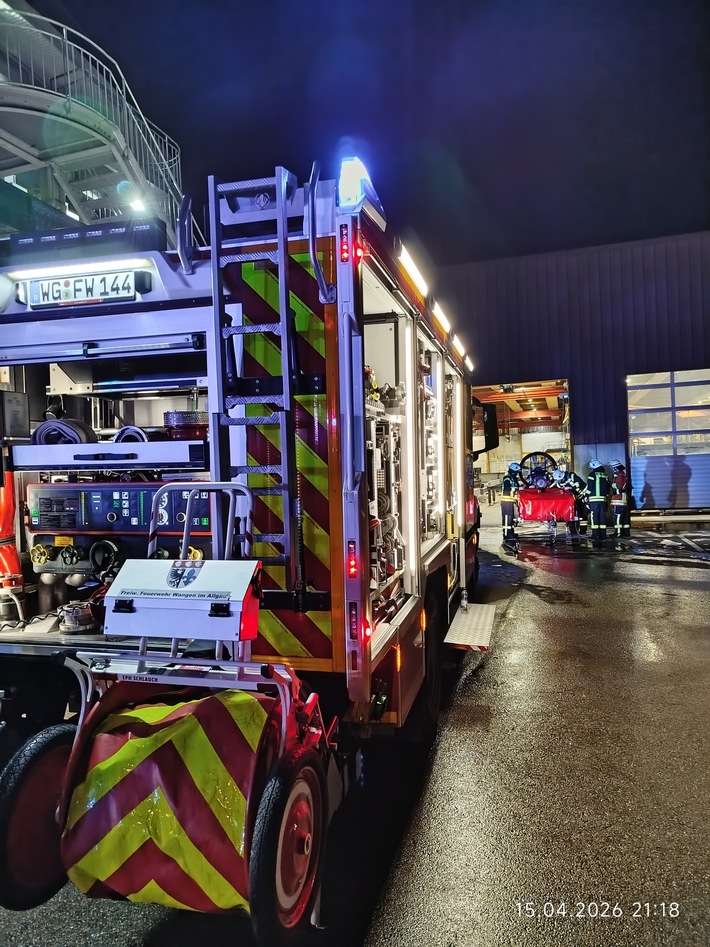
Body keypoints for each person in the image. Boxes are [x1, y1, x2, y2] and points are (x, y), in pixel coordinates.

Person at [555, 466, 589, 535]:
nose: (560, 481)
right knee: (572, 513)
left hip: (583, 495)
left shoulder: (571, 476)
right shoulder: (559, 482)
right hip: (573, 499)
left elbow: (579, 482)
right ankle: (573, 530)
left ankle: (583, 530)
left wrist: (571, 488)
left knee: (583, 514)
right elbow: (558, 488)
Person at [586, 459, 610, 547]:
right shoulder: (605, 475)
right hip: (603, 500)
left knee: (594, 517)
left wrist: (586, 496)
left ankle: (595, 535)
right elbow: (607, 488)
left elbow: (590, 488)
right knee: (602, 517)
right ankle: (602, 535)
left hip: (594, 500)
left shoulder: (592, 475)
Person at [501, 462, 522, 549]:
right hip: (507, 501)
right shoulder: (507, 478)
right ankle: (507, 535)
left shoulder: (512, 478)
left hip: (511, 501)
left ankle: (511, 532)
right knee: (507, 518)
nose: (517, 473)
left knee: (511, 518)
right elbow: (507, 489)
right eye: (517, 471)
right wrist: (515, 489)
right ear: (514, 471)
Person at [610, 459, 631, 539]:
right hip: (623, 498)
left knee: (617, 516)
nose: (612, 469)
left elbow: (619, 487)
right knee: (624, 517)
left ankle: (618, 533)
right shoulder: (622, 474)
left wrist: (612, 484)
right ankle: (625, 533)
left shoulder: (620, 476)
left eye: (612, 468)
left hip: (618, 499)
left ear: (616, 468)